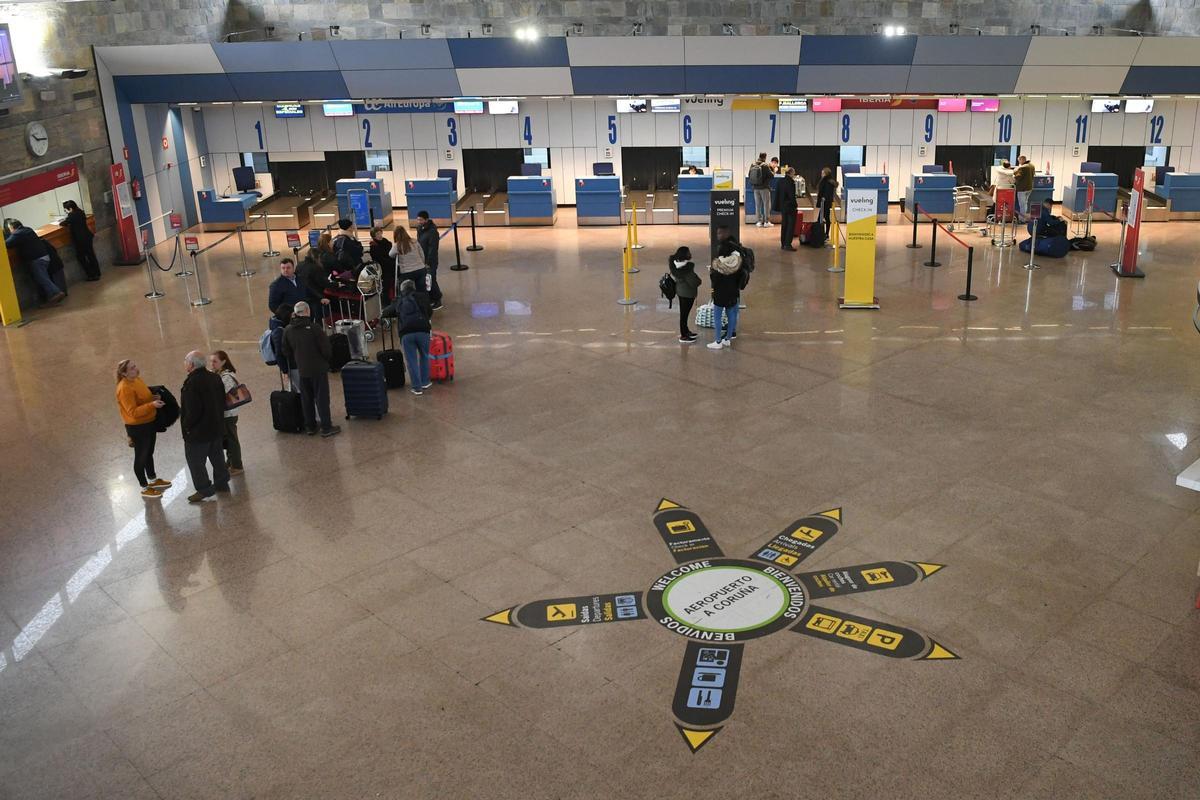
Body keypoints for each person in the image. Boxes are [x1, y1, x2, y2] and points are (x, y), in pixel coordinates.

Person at [282, 301, 341, 437]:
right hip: (318, 368)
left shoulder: (288, 330)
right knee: (321, 398)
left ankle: (310, 426)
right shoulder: (315, 328)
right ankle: (326, 427)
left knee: (306, 398)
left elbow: (285, 350)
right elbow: (326, 349)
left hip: (302, 369)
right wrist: (325, 361)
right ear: (307, 312)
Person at [116, 359, 171, 498]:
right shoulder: (124, 388)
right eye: (132, 368)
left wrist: (153, 398)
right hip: (137, 427)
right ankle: (144, 486)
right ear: (124, 373)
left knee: (149, 452)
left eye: (135, 366)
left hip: (148, 422)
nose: (136, 369)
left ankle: (152, 479)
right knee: (141, 456)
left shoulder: (137, 380)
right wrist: (152, 405)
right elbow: (132, 412)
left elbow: (142, 398)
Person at [180, 350, 230, 502]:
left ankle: (204, 489)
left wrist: (187, 426)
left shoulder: (192, 383)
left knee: (196, 462)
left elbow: (192, 410)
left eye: (185, 361)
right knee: (217, 457)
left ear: (191, 365)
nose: (184, 364)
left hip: (198, 432)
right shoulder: (214, 377)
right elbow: (222, 399)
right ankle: (222, 483)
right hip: (215, 427)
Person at [5, 219, 65, 305]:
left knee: (42, 279)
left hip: (36, 259)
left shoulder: (18, 234)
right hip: (44, 256)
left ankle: (56, 292)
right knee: (44, 278)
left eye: (9, 229)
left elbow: (6, 244)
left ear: (12, 227)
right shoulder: (28, 229)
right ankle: (50, 298)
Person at [390, 278, 433, 395]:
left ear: (402, 290)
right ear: (414, 288)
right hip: (423, 331)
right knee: (424, 355)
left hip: (406, 334)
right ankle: (425, 382)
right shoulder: (423, 296)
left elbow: (386, 313)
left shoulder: (399, 300)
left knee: (411, 360)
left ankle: (417, 387)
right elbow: (430, 312)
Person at [208, 350, 244, 476]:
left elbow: (220, 394)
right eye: (211, 361)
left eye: (215, 361)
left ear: (223, 362)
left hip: (229, 414)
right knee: (228, 439)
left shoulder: (227, 377)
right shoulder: (218, 374)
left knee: (232, 440)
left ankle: (237, 465)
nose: (212, 364)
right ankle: (230, 462)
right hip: (224, 413)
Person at [707, 240, 745, 350]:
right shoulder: (737, 261)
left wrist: (711, 272)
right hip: (733, 293)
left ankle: (718, 341)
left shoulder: (718, 264)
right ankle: (728, 339)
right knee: (731, 315)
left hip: (720, 294)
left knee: (718, 317)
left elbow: (715, 281)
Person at [59, 200, 100, 281]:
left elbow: (63, 223)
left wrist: (65, 219)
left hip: (80, 240)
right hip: (87, 237)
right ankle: (97, 273)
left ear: (70, 208)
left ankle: (91, 275)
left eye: (66, 209)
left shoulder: (71, 215)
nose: (66, 211)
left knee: (81, 257)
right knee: (91, 255)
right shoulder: (80, 212)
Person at [668, 246, 701, 343]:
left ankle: (686, 331)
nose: (690, 254)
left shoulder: (674, 264)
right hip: (687, 294)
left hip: (680, 292)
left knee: (684, 314)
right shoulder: (686, 269)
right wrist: (699, 280)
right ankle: (684, 335)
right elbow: (694, 282)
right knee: (684, 314)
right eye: (688, 252)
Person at [414, 211, 443, 310]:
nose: (419, 221)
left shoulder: (432, 232)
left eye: (421, 220)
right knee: (427, 279)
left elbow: (433, 249)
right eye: (418, 219)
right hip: (422, 259)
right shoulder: (419, 229)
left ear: (426, 220)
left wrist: (428, 262)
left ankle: (437, 299)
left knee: (431, 278)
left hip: (430, 260)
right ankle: (431, 297)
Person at [389, 224, 427, 300]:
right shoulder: (414, 241)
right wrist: (421, 264)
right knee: (422, 291)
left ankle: (411, 307)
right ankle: (424, 308)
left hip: (407, 272)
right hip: (420, 269)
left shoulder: (397, 245)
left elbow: (390, 255)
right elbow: (422, 255)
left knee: (407, 292)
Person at [270, 303, 300, 392]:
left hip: (293, 364)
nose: (294, 317)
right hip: (292, 365)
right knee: (303, 390)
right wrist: (285, 370)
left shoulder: (281, 327)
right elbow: (279, 353)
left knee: (296, 389)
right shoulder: (279, 331)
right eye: (292, 315)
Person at [369, 226, 396, 302]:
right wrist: (391, 262)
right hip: (381, 267)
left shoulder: (386, 241)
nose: (380, 235)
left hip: (389, 263)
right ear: (374, 235)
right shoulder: (373, 246)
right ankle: (386, 298)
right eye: (378, 234)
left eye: (380, 233)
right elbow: (379, 258)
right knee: (387, 280)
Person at [775, 167, 799, 250]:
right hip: (790, 207)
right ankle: (788, 244)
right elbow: (791, 195)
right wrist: (795, 205)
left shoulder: (780, 181)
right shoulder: (790, 182)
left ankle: (783, 243)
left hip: (783, 207)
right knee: (790, 225)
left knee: (784, 225)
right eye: (794, 173)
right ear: (791, 173)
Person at [750, 153, 774, 228]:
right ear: (765, 157)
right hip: (764, 188)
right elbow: (771, 175)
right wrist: (774, 170)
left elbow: (750, 175)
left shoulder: (753, 165)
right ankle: (766, 222)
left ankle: (759, 222)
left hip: (755, 188)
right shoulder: (765, 165)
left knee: (758, 205)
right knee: (766, 205)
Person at [816, 167, 838, 239]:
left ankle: (823, 234)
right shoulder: (830, 181)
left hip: (824, 202)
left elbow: (824, 193)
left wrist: (821, 200)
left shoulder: (825, 182)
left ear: (825, 174)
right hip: (827, 202)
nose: (821, 174)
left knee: (821, 218)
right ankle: (825, 233)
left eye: (822, 173)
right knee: (825, 217)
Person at [1013, 155, 1035, 221]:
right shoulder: (1031, 165)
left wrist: (1015, 171)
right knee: (1025, 203)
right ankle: (1024, 217)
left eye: (1019, 161)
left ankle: (1022, 219)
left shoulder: (1023, 167)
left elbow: (1017, 176)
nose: (1019, 162)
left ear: (1022, 160)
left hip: (1022, 189)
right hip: (1029, 188)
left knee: (1022, 205)